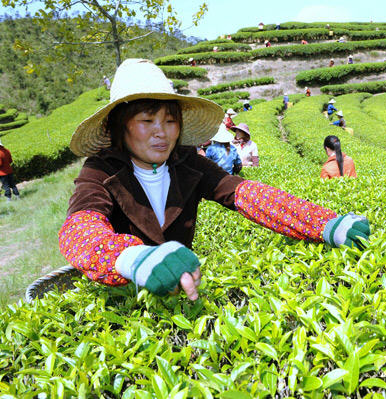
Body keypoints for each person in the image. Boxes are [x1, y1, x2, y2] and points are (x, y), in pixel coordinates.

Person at [59, 59, 370, 300]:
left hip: (184, 298)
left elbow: (246, 194)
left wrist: (325, 224)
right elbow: (79, 229)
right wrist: (133, 258)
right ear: (119, 126)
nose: (161, 132)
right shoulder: (100, 170)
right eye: (146, 121)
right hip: (125, 307)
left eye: (170, 121)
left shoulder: (185, 162)